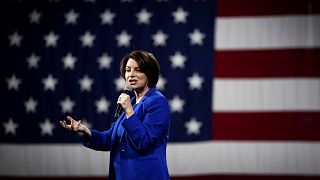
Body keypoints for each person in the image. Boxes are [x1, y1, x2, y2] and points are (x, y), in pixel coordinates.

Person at [60, 50, 171, 180]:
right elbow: (111, 140)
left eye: (138, 70)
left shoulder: (157, 101)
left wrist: (129, 111)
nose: (131, 75)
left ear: (150, 73)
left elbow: (143, 142)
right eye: (128, 70)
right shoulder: (132, 103)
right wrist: (86, 131)